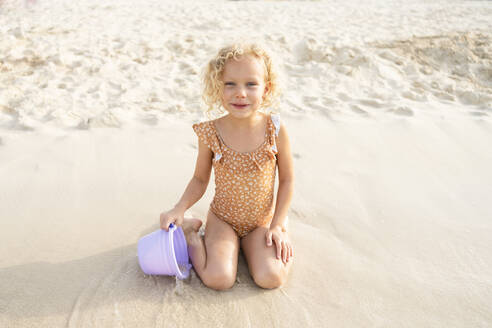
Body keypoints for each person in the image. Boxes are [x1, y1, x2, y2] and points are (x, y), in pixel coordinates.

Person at [160, 43, 294, 290]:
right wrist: (179, 208)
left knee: (271, 278)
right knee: (219, 279)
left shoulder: (275, 129)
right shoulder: (211, 132)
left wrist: (277, 224)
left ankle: (271, 236)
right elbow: (200, 179)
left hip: (261, 222)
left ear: (267, 88)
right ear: (217, 88)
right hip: (224, 219)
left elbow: (287, 180)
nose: (240, 93)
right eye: (230, 84)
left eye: (251, 84)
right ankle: (191, 232)